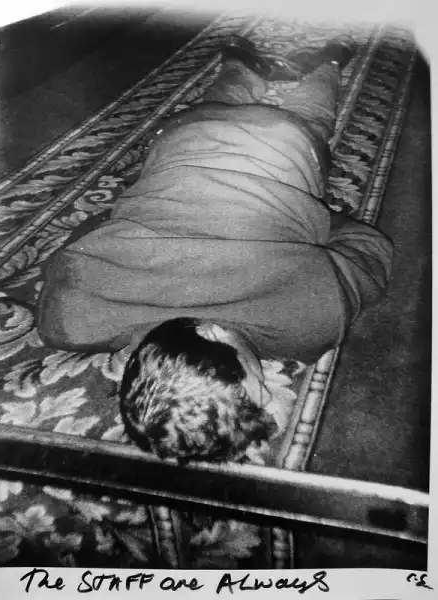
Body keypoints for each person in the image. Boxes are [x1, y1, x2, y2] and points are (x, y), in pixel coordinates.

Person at [37, 37, 393, 461]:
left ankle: (328, 62)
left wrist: (314, 220)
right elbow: (89, 230)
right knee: (216, 106)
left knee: (311, 119)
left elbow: (370, 245)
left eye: (256, 385)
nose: (269, 392)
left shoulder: (311, 319)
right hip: (186, 132)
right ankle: (241, 64)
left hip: (286, 138)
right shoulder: (69, 319)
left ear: (213, 332)